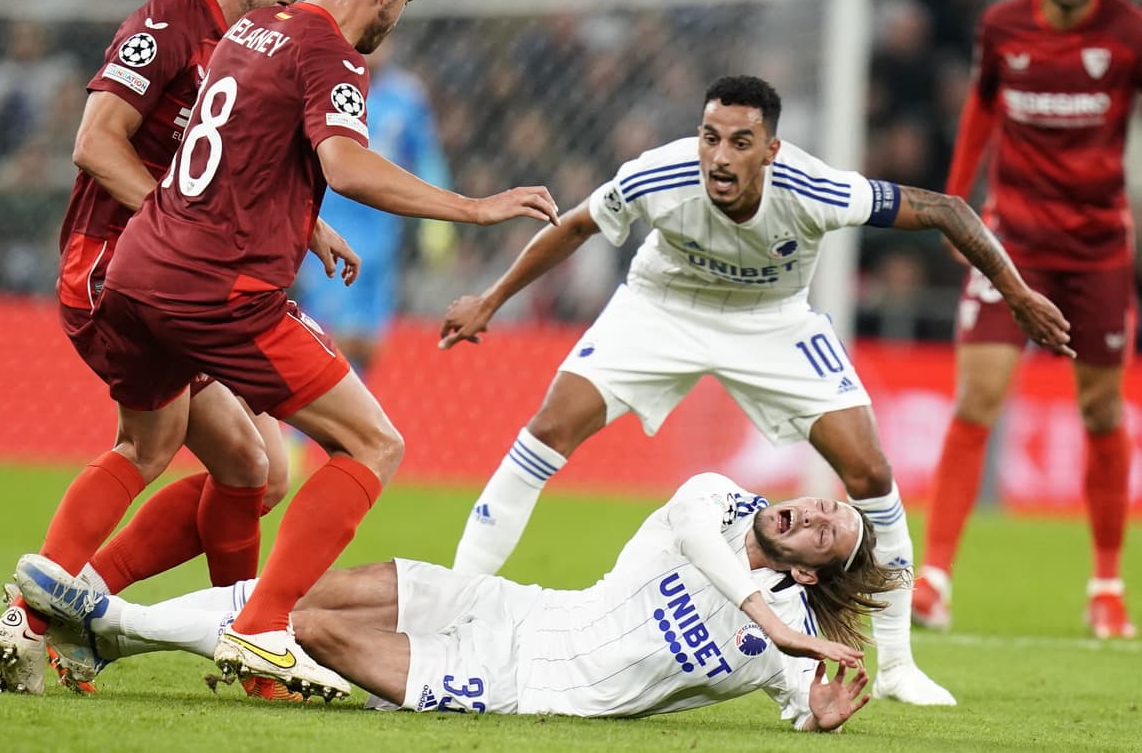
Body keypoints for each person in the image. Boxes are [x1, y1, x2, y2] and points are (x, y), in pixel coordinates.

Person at [3, 0, 560, 703]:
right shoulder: (329, 51)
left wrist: (304, 225)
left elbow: (237, 154)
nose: (400, 19)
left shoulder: (249, 30)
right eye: (406, 2)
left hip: (141, 268)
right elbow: (347, 165)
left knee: (222, 462)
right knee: (372, 444)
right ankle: (261, 627)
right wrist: (475, 207)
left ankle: (47, 607)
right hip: (218, 290)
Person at [439, 74, 1075, 707]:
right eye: (710, 137)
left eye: (740, 142)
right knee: (548, 430)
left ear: (771, 150)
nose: (720, 156)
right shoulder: (657, 175)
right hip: (663, 306)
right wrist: (491, 299)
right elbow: (575, 226)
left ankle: (898, 668)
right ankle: (454, 610)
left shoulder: (814, 189)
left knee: (869, 470)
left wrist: (1018, 295)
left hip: (773, 321)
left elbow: (948, 210)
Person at [0, 0, 337, 696]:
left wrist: (303, 225)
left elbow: (220, 171)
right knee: (154, 444)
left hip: (174, 276)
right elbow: (94, 142)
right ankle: (46, 615)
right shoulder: (170, 23)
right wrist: (176, 228)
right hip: (116, 266)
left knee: (253, 468)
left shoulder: (253, 49)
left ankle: (85, 611)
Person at [14, 473, 893, 730]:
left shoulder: (786, 643)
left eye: (828, 532)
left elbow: (802, 705)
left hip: (520, 683)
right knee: (303, 593)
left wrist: (817, 719)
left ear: (811, 575)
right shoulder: (714, 501)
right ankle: (111, 632)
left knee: (310, 627)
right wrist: (770, 619)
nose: (814, 513)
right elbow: (701, 539)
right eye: (822, 503)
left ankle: (106, 627)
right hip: (516, 605)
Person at [914, 0, 1142, 640]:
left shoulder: (1129, 31)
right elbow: (980, 113)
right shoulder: (1003, 27)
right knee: (977, 397)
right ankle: (933, 580)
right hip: (1011, 243)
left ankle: (1106, 586)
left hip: (1099, 248)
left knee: (1101, 412)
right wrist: (956, 207)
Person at [293, 40, 453, 374]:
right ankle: (316, 405)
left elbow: (427, 158)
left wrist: (437, 225)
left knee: (371, 340)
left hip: (382, 232)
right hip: (330, 225)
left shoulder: (406, 97)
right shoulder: (323, 86)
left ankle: (350, 400)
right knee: (329, 332)